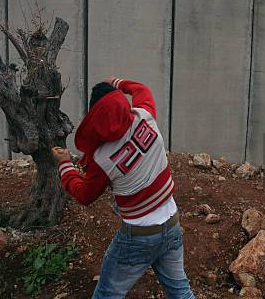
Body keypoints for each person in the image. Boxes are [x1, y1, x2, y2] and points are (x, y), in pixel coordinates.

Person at [51, 76, 194, 299]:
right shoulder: (144, 115)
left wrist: (65, 165)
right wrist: (117, 82)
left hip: (138, 236)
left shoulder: (101, 159)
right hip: (172, 223)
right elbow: (142, 89)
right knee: (180, 292)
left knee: (107, 295)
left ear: (94, 116)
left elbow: (84, 194)